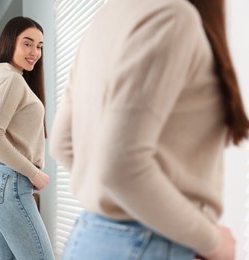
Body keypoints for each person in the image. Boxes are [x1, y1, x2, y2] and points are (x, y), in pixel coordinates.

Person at [49, 0, 249, 259]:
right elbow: (121, 166)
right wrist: (213, 242)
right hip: (150, 244)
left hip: (91, 238)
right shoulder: (172, 16)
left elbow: (62, 144)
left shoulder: (106, 18)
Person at [0, 16, 55, 260]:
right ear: (10, 43)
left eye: (39, 46)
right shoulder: (12, 80)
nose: (35, 52)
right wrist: (33, 172)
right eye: (27, 43)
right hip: (8, 183)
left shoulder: (0, 78)